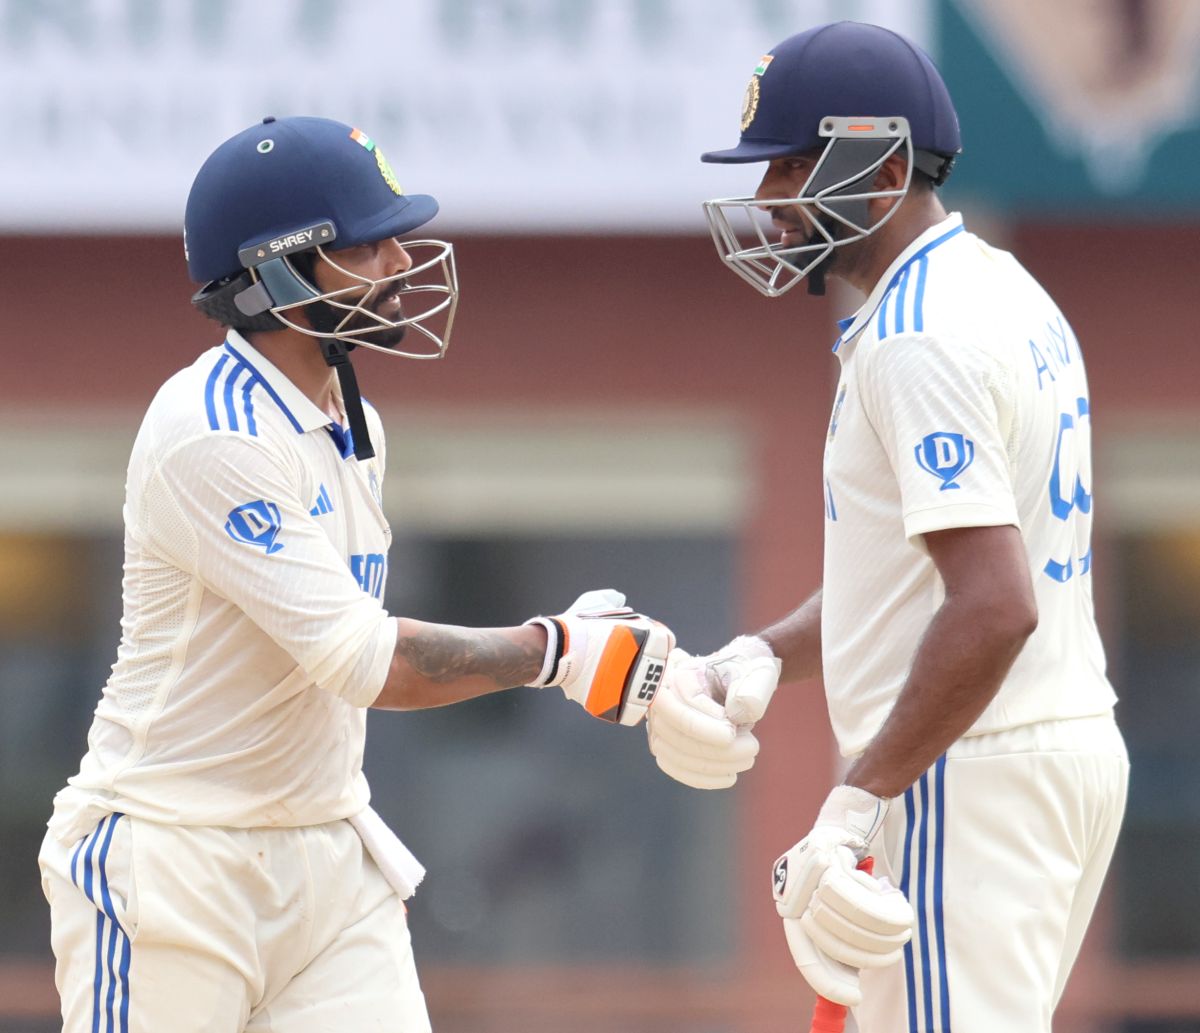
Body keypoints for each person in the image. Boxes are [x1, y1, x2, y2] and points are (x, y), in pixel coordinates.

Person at [37, 115, 673, 1033]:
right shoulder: (212, 430)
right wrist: (557, 651)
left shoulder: (347, 418)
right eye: (365, 246)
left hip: (325, 851)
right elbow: (362, 662)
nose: (397, 265)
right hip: (170, 855)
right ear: (281, 270)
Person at [646, 22, 1129, 1033]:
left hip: (969, 766)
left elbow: (995, 607)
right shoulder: (1001, 288)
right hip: (1041, 751)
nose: (772, 198)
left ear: (886, 165)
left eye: (791, 166)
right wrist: (765, 653)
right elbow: (922, 577)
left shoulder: (916, 335)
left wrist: (860, 795)